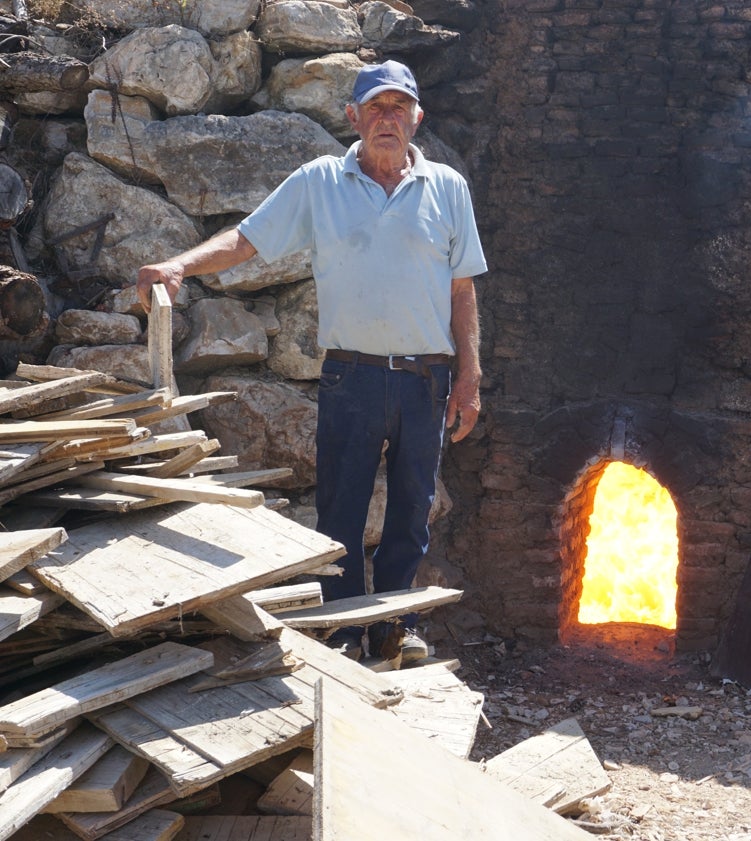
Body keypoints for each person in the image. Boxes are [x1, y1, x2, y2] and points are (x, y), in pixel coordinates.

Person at [137, 61, 488, 664]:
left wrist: (471, 377)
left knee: (412, 512)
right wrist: (179, 266)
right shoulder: (320, 181)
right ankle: (348, 627)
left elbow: (462, 290)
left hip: (426, 379)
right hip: (351, 375)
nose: (387, 119)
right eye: (375, 108)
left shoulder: (447, 187)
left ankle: (394, 625)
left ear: (416, 117)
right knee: (341, 511)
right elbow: (247, 239)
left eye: (398, 107)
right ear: (351, 117)